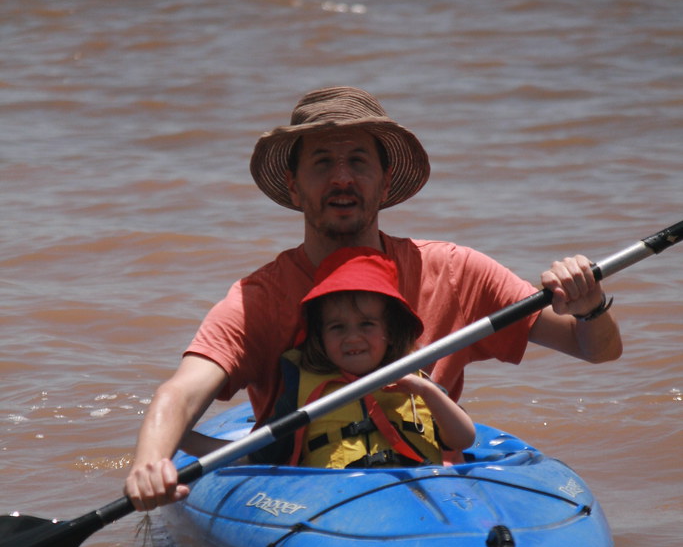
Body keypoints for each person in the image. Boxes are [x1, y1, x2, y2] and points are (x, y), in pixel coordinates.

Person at [125, 86, 622, 511]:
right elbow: (182, 392)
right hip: (309, 490)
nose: (342, 178)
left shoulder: (454, 269)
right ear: (295, 188)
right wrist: (151, 461)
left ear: (385, 184)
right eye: (322, 163)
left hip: (430, 481)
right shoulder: (261, 296)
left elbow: (595, 348)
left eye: (358, 162)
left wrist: (589, 306)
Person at [258, 246, 476, 468]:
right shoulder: (300, 389)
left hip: (412, 491)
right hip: (338, 495)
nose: (352, 338)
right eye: (337, 327)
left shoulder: (415, 383)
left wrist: (425, 390)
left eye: (366, 324)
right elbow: (266, 454)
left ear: (391, 332)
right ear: (320, 335)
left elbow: (464, 439)